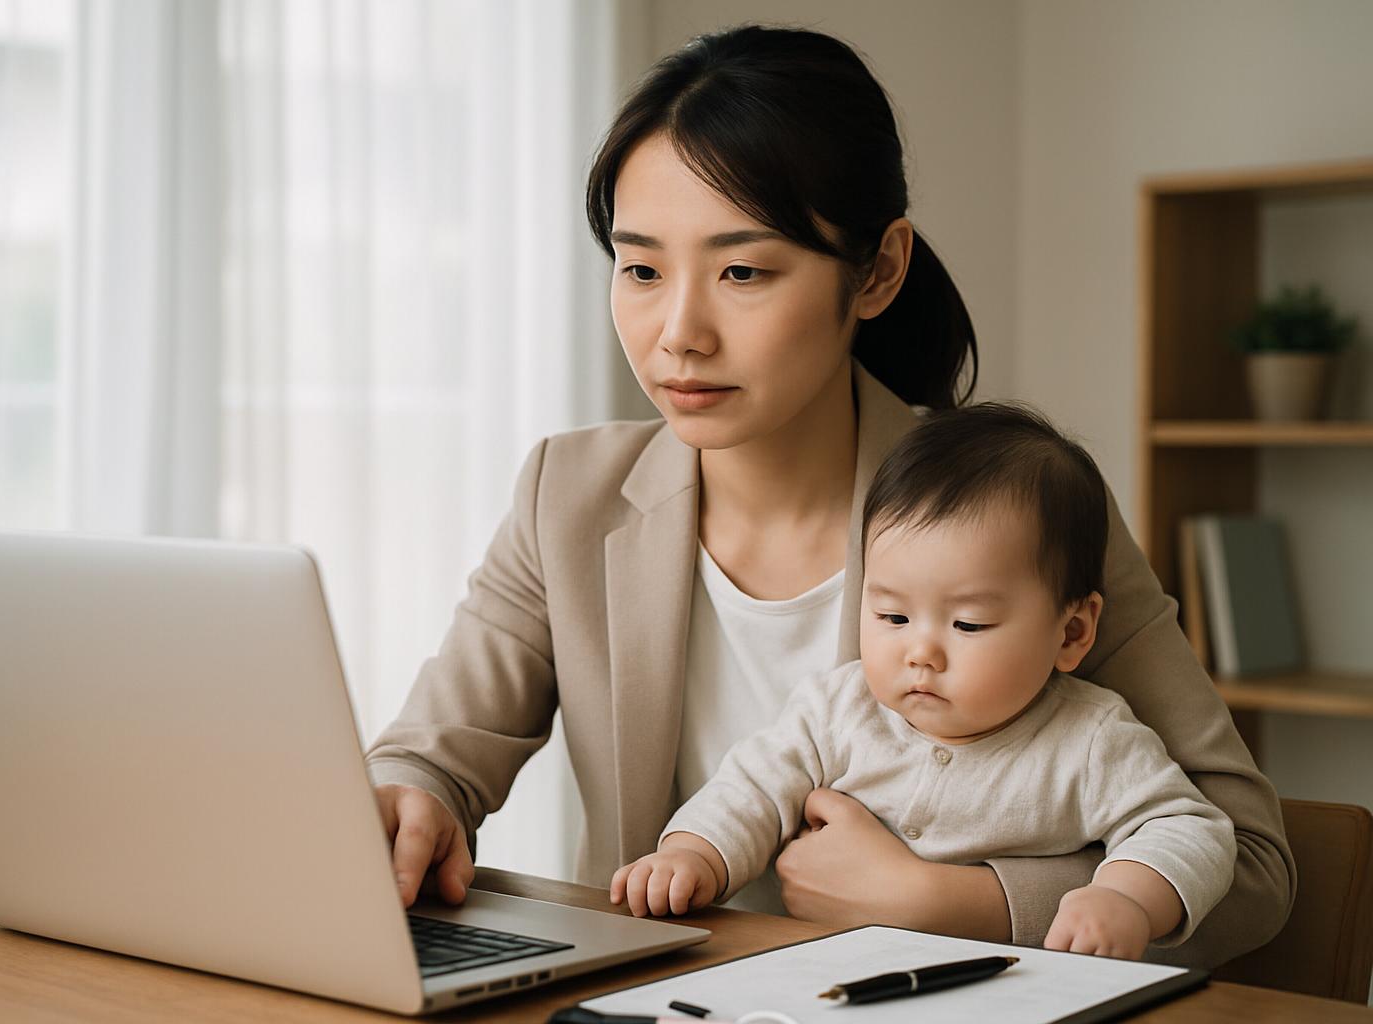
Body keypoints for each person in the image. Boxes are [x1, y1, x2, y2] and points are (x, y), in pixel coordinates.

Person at [365, 24, 1292, 965]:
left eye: (743, 271)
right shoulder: (568, 493)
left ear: (879, 270)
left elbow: (1253, 865)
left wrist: (945, 900)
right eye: (641, 268)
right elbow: (433, 756)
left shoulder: (1013, 508)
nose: (678, 334)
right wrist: (411, 801)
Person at [609, 404, 1236, 960]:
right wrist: (693, 856)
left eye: (968, 623)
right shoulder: (837, 708)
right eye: (892, 616)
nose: (921, 653)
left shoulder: (1092, 738)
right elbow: (749, 790)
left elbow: (1190, 828)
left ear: (1071, 633)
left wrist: (1128, 896)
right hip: (823, 981)